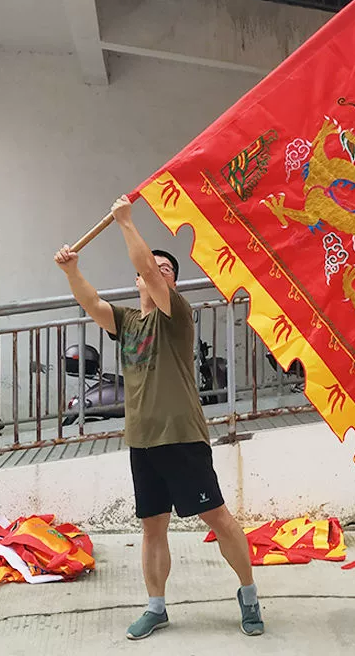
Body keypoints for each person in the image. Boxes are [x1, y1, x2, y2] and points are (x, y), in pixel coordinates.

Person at [54, 195, 263, 640]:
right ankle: (156, 606)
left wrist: (127, 222)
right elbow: (91, 303)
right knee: (152, 526)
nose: (157, 272)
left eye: (166, 270)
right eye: (152, 269)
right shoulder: (128, 321)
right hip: (143, 439)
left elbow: (149, 267)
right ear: (135, 284)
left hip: (182, 435)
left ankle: (248, 595)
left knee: (219, 519)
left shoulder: (177, 316)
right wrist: (72, 271)